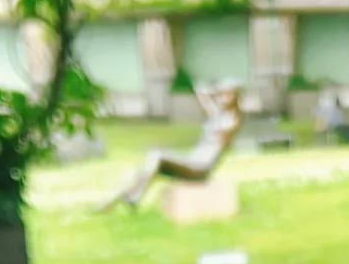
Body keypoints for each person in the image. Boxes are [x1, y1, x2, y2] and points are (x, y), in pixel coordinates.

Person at [96, 85, 243, 211]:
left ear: (236, 96)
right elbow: (201, 93)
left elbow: (211, 108)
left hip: (200, 168)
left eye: (227, 95)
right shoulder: (219, 116)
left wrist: (211, 96)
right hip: (193, 161)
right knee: (153, 159)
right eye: (221, 95)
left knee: (158, 156)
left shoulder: (232, 121)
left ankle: (133, 195)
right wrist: (210, 91)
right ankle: (128, 195)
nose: (222, 99)